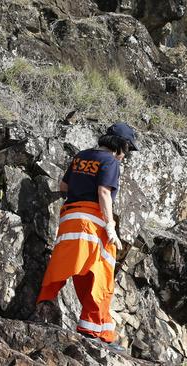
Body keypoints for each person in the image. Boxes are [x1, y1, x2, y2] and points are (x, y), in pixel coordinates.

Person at [32, 122, 139, 353]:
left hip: (69, 219)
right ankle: (94, 332)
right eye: (128, 149)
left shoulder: (81, 156)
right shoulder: (110, 161)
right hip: (92, 223)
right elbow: (103, 192)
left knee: (64, 269)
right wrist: (110, 226)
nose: (126, 155)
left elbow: (63, 186)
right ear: (121, 145)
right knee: (100, 275)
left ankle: (42, 310)